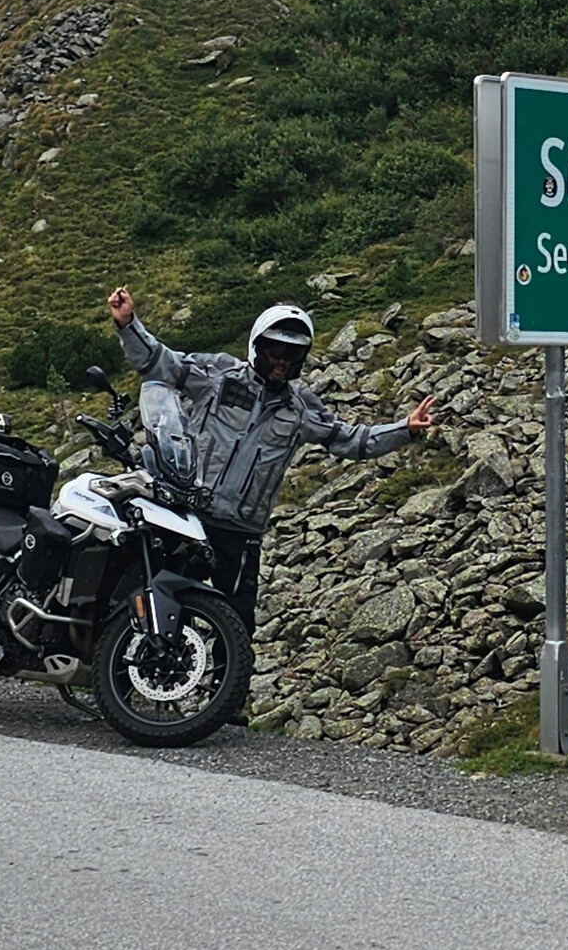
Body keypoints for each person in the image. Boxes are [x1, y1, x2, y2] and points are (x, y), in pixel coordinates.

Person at [105, 289, 437, 675]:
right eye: (275, 351)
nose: (280, 360)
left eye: (290, 355)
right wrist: (128, 323)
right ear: (257, 347)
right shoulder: (218, 375)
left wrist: (405, 429)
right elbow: (160, 363)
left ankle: (229, 703)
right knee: (154, 597)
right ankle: (120, 681)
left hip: (240, 531)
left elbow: (351, 439)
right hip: (186, 511)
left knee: (237, 618)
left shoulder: (301, 409)